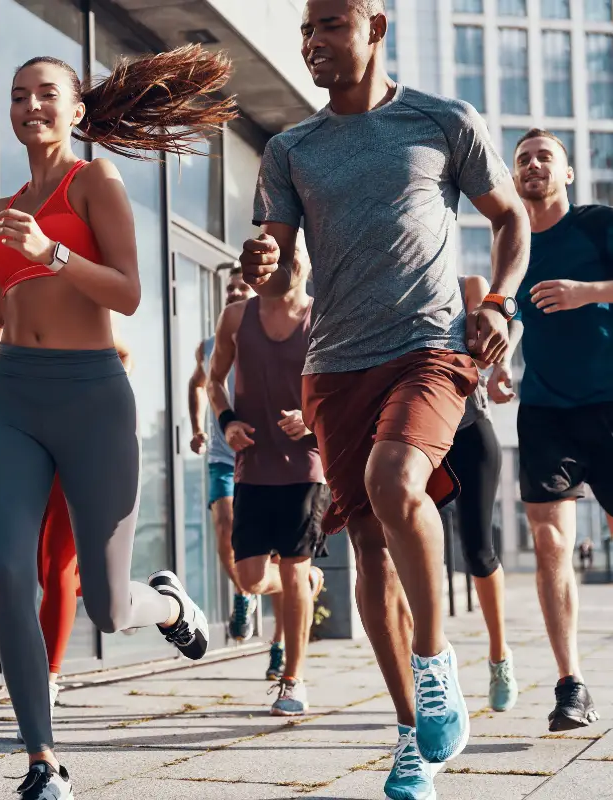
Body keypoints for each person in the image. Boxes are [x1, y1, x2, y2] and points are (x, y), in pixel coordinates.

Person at [240, 2, 530, 797]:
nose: (311, 42)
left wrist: (499, 303)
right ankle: (411, 734)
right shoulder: (290, 149)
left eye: (329, 24)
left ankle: (437, 669)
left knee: (394, 480)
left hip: (429, 349)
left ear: (376, 27)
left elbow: (509, 221)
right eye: (305, 29)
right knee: (367, 551)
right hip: (333, 366)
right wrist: (263, 255)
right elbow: (278, 261)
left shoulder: (444, 121)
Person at [0, 46, 236, 800]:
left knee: (104, 603)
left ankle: (167, 602)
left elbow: (131, 293)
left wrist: (54, 252)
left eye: (45, 94)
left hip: (92, 399)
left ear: (76, 110)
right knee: (11, 569)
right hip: (13, 404)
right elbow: (10, 309)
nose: (29, 106)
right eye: (17, 96)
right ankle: (43, 760)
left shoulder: (94, 180)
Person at [0, 254, 132, 738]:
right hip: (25, 454)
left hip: (82, 446)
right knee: (31, 569)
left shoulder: (65, 304)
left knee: (62, 572)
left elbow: (120, 354)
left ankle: (48, 675)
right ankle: (41, 688)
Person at [488, 127, 613, 732]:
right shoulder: (510, 239)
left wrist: (587, 292)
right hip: (544, 408)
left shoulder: (597, 223)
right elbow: (512, 310)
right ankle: (571, 685)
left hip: (610, 402)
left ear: (566, 172)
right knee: (550, 544)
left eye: (544, 157)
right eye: (522, 159)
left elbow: (577, 294)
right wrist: (502, 363)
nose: (532, 165)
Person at [208, 241, 326, 716]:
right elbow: (213, 380)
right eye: (285, 252)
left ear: (310, 259)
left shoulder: (324, 318)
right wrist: (227, 421)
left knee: (293, 570)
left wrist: (313, 418)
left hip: (305, 464)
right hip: (252, 465)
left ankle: (292, 681)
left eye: (300, 250)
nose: (292, 261)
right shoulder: (237, 317)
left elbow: (343, 386)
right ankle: (309, 581)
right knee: (251, 578)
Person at [188, 265, 286, 674]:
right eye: (229, 288)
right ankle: (246, 593)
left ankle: (280, 643)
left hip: (273, 459)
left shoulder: (273, 333)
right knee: (225, 528)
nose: (233, 292)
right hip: (225, 457)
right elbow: (199, 383)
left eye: (240, 286)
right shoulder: (209, 345)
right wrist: (198, 427)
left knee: (283, 556)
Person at [449, 274, 518, 712]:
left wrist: (501, 372)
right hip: (410, 438)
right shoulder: (386, 289)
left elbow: (496, 338)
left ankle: (499, 655)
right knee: (400, 552)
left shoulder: (468, 287)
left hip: (469, 433)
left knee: (477, 550)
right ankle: (429, 666)